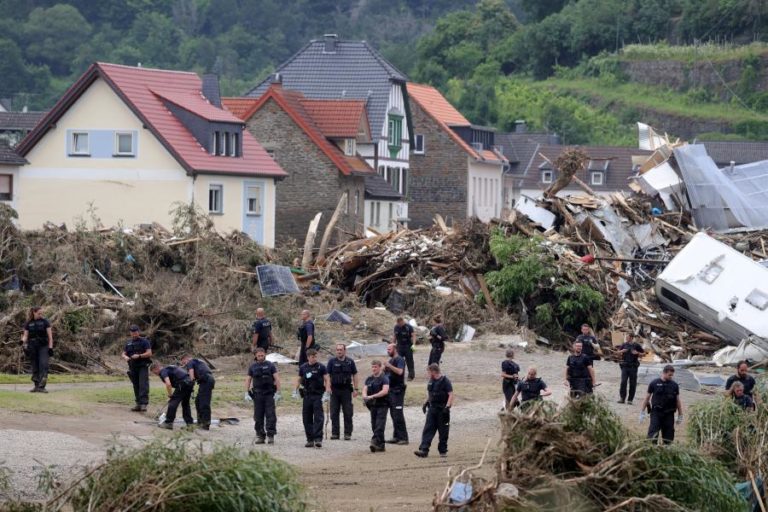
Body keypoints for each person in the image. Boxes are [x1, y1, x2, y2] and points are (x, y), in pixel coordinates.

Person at [414, 363, 453, 458]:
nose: (427, 374)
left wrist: (447, 407)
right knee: (428, 429)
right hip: (432, 409)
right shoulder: (431, 380)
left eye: (428, 372)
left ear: (433, 371)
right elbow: (430, 394)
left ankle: (443, 451)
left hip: (442, 410)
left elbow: (451, 394)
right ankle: (424, 450)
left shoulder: (445, 381)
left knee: (443, 431)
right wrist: (426, 402)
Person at [293, 349, 330, 448]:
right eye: (312, 357)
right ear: (308, 357)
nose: (314, 358)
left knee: (318, 418)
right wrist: (295, 390)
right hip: (307, 395)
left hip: (318, 395)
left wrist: (327, 392)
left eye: (315, 356)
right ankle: (310, 439)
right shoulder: (303, 367)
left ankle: (318, 439)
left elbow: (327, 379)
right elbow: (299, 379)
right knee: (306, 418)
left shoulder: (321, 367)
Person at [245, 348, 281, 444]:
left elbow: (277, 378)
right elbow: (248, 379)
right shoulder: (252, 366)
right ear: (255, 356)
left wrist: (278, 392)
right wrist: (246, 392)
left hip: (269, 394)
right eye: (259, 355)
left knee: (271, 415)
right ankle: (260, 436)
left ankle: (270, 435)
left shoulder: (270, 365)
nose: (261, 357)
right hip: (257, 395)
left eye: (262, 355)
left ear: (265, 354)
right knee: (258, 416)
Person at [640, 365, 683, 444]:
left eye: (672, 375)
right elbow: (647, 398)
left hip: (669, 414)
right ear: (664, 373)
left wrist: (680, 414)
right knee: (653, 433)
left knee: (668, 436)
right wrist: (642, 412)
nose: (671, 377)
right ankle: (651, 449)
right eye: (669, 375)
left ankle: (667, 451)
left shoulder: (674, 385)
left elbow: (677, 400)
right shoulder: (654, 383)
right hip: (656, 412)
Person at [327, 343, 359, 440]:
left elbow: (355, 375)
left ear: (345, 351)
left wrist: (356, 389)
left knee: (348, 412)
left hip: (346, 390)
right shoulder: (331, 362)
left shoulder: (350, 362)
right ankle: (335, 433)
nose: (339, 351)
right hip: (334, 390)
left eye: (341, 350)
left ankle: (347, 434)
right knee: (334, 413)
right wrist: (327, 387)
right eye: (337, 350)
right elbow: (327, 375)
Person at [151, 362, 194, 430]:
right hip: (189, 383)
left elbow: (168, 384)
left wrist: (170, 395)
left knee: (172, 403)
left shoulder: (163, 371)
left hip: (182, 384)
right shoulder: (170, 368)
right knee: (185, 404)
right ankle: (190, 424)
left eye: (154, 372)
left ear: (156, 368)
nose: (155, 374)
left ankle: (168, 423)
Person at [21, 307, 53, 393]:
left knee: (43, 365)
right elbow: (25, 336)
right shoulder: (28, 323)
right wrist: (22, 341)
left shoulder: (45, 322)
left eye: (42, 313)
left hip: (43, 346)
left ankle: (42, 387)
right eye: (39, 313)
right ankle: (36, 386)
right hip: (32, 347)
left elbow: (50, 337)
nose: (41, 315)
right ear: (34, 313)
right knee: (35, 366)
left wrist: (50, 348)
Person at [122, 325, 152, 411]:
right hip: (132, 366)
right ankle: (138, 403)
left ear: (138, 332)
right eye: (132, 333)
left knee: (143, 385)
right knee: (136, 385)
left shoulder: (144, 341)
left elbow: (149, 353)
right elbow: (123, 353)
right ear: (130, 333)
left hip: (142, 366)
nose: (134, 334)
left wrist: (139, 356)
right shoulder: (128, 343)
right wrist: (125, 357)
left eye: (135, 333)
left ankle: (144, 404)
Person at [383, 344, 409, 444]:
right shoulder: (391, 360)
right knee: (393, 414)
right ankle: (396, 436)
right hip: (391, 390)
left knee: (398, 413)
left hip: (398, 391)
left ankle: (404, 438)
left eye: (389, 349)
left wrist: (389, 366)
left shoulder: (400, 360)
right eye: (387, 349)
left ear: (395, 349)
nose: (388, 351)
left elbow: (400, 372)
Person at [181, 355, 215, 430]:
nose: (184, 365)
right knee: (198, 402)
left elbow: (191, 374)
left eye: (183, 362)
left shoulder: (190, 362)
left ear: (186, 359)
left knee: (204, 403)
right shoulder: (197, 361)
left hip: (206, 380)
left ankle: (206, 424)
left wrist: (190, 381)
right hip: (205, 381)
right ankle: (200, 422)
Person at [363, 360, 390, 452]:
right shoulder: (369, 378)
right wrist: (365, 396)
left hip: (382, 404)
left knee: (379, 425)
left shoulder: (384, 378)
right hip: (372, 405)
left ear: (379, 367)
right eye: (372, 367)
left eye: (375, 367)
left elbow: (385, 391)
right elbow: (365, 389)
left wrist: (373, 396)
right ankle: (381, 445)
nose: (373, 369)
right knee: (374, 425)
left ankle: (374, 441)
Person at [617, 333, 645, 405]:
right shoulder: (624, 344)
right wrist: (621, 351)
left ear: (632, 338)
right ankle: (622, 398)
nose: (627, 338)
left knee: (632, 383)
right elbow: (618, 353)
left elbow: (644, 354)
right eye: (626, 337)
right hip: (625, 366)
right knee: (623, 382)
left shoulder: (636, 345)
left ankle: (630, 399)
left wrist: (637, 353)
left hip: (633, 366)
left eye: (628, 337)